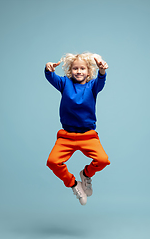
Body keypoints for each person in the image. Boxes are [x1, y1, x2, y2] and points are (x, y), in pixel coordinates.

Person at [44, 52, 110, 205]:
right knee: (52, 162)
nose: (79, 71)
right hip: (66, 136)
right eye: (75, 68)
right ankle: (74, 184)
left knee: (103, 160)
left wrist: (102, 70)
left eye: (82, 69)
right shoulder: (65, 83)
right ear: (70, 71)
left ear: (88, 71)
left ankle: (86, 174)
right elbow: (50, 77)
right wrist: (48, 69)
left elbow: (101, 80)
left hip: (88, 136)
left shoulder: (92, 86)